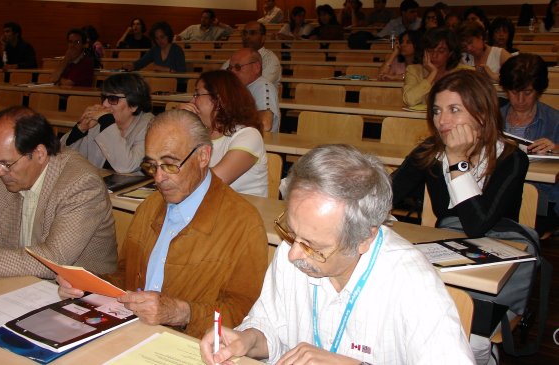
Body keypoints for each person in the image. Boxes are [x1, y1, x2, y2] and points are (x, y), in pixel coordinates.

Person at [200, 144, 474, 365]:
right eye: (291, 232)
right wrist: (248, 339)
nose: (293, 253)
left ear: (364, 239)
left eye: (313, 247)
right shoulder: (292, 251)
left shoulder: (411, 281)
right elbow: (270, 325)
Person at [57, 109, 268, 339]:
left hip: (190, 344)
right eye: (151, 166)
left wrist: (184, 314)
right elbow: (125, 278)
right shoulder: (149, 208)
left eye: (169, 165)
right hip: (132, 332)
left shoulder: (243, 223)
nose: (158, 178)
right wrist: (87, 285)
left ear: (203, 156)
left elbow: (244, 313)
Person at [392, 70, 531, 363]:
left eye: (454, 109)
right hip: (445, 259)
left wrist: (457, 161)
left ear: (481, 113)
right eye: (437, 111)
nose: (442, 121)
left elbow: (476, 224)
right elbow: (387, 195)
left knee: (466, 330)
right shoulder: (430, 152)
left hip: (494, 268)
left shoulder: (511, 158)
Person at [0, 106, 117, 279]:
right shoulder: (4, 176)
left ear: (39, 154)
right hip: (21, 282)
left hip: (79, 288)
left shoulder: (81, 184)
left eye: (5, 163)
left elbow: (53, 260)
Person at [180, 70, 268, 197]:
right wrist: (178, 123)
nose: (191, 101)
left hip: (243, 207)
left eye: (197, 94)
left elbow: (213, 182)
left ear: (218, 100)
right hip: (210, 204)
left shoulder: (249, 135)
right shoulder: (198, 134)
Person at [499, 53, 558, 218]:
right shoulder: (493, 119)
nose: (520, 100)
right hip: (498, 198)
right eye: (514, 92)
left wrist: (556, 148)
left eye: (527, 92)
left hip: (540, 201)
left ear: (539, 91)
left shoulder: (554, 120)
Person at [60, 73, 154, 174]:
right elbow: (65, 159)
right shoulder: (99, 124)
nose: (105, 104)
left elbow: (126, 166)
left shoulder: (150, 127)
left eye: (113, 99)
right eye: (104, 97)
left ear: (134, 105)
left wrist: (107, 122)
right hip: (98, 181)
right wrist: (80, 129)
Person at [402, 27, 465, 107]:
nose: (434, 55)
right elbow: (409, 100)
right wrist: (432, 74)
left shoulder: (462, 73)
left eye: (441, 51)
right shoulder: (413, 70)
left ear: (450, 53)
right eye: (430, 51)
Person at [227, 48, 280, 133]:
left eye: (237, 67)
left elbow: (265, 124)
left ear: (256, 67)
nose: (232, 72)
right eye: (230, 68)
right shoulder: (237, 87)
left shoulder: (262, 86)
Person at [222, 21, 281, 86]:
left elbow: (260, 85)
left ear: (263, 38)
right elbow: (221, 79)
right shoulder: (237, 57)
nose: (247, 37)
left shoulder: (270, 59)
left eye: (252, 33)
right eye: (245, 33)